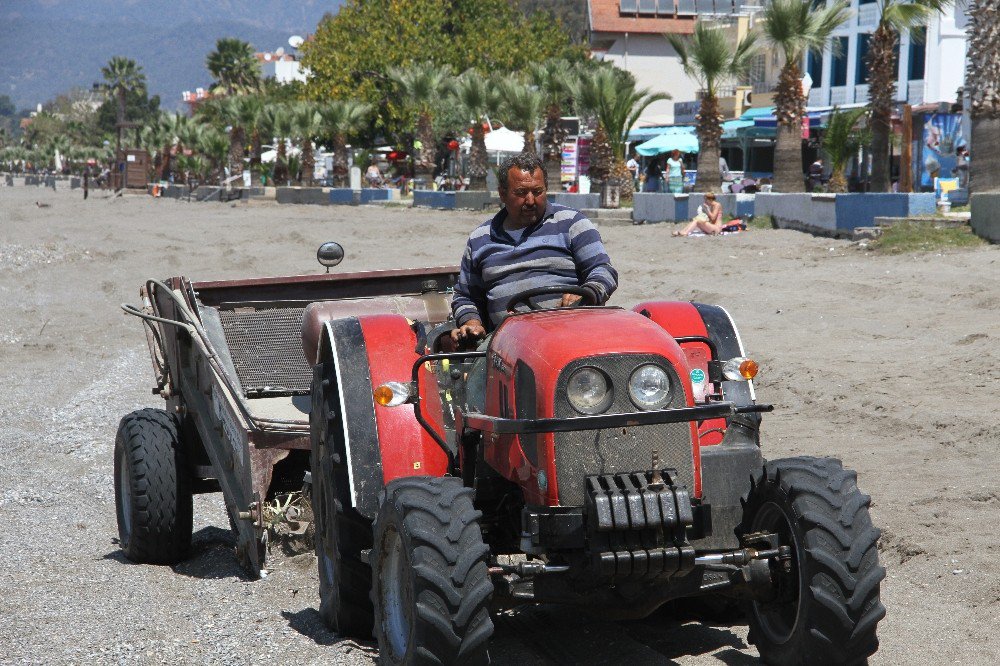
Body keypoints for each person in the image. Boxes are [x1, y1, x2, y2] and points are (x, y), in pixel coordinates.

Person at [450, 152, 618, 346]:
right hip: (507, 344)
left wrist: (587, 292)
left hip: (571, 334)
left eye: (537, 192)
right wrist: (472, 322)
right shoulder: (480, 239)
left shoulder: (572, 223)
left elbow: (604, 271)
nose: (530, 201)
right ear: (502, 194)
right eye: (521, 193)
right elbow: (465, 296)